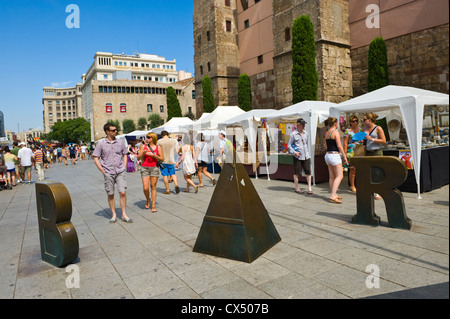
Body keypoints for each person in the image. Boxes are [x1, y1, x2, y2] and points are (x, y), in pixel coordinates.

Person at [93, 123, 133, 223]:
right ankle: (114, 214)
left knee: (122, 192)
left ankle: (124, 214)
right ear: (107, 132)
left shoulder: (120, 142)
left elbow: (125, 154)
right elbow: (96, 158)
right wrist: (102, 170)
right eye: (113, 130)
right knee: (110, 194)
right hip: (108, 172)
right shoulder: (101, 144)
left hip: (120, 171)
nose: (116, 131)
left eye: (116, 130)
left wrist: (124, 166)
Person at [138, 132, 164, 212]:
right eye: (146, 137)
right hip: (145, 167)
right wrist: (143, 154)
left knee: (153, 186)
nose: (147, 138)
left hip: (154, 168)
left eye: (149, 137)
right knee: (145, 188)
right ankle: (148, 199)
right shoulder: (143, 146)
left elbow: (162, 159)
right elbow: (138, 157)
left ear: (153, 138)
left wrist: (154, 156)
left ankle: (153, 205)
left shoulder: (158, 147)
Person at [324, 117, 348, 204]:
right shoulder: (335, 132)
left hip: (327, 155)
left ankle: (333, 193)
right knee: (340, 176)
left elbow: (326, 146)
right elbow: (339, 146)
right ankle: (333, 195)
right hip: (334, 155)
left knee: (332, 176)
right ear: (335, 124)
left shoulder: (327, 132)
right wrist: (344, 156)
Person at [363, 112, 386, 200]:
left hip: (377, 151)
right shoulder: (364, 128)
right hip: (368, 152)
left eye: (364, 120)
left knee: (377, 172)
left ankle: (378, 192)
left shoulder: (378, 128)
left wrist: (372, 139)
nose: (363, 121)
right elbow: (364, 140)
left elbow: (383, 140)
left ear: (370, 120)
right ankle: (371, 191)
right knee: (369, 172)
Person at [288, 118, 313, 195]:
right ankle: (297, 188)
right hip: (298, 156)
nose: (304, 125)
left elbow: (307, 144)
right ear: (298, 125)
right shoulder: (293, 134)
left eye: (304, 124)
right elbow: (289, 146)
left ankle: (309, 187)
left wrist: (308, 154)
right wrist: (294, 153)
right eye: (302, 124)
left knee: (308, 172)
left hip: (306, 155)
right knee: (297, 172)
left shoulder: (306, 133)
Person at [343, 115, 362, 192]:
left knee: (360, 169)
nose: (355, 122)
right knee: (352, 169)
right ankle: (352, 185)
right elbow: (345, 143)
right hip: (351, 151)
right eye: (353, 121)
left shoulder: (360, 130)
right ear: (350, 122)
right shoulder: (348, 131)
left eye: (356, 121)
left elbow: (363, 140)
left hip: (359, 150)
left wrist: (362, 141)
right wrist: (344, 154)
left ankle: (359, 184)